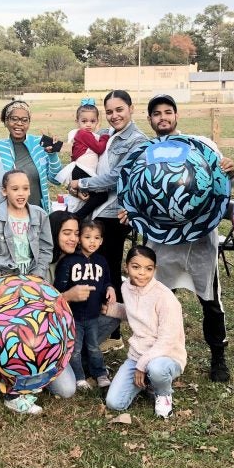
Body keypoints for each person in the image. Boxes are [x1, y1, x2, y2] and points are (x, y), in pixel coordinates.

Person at [133, 94, 234, 382]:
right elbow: (137, 191)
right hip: (162, 242)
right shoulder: (145, 152)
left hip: (200, 242)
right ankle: (158, 354)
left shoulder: (202, 146)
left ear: (176, 116)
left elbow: (223, 184)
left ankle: (218, 357)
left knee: (211, 301)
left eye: (168, 112)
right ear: (150, 120)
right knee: (161, 301)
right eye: (156, 113)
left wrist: (230, 170)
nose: (162, 117)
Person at [68, 90, 149, 352]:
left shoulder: (137, 141)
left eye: (120, 109)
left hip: (114, 215)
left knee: (109, 271)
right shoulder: (111, 136)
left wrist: (82, 182)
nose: (115, 115)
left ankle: (112, 332)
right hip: (99, 210)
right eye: (110, 111)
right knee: (101, 271)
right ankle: (99, 325)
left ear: (131, 108)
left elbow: (116, 177)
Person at [0, 170, 53, 414]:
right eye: (15, 189)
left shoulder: (39, 215)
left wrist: (38, 275)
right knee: (9, 334)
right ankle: (12, 391)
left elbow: (46, 248)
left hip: (34, 282)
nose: (21, 193)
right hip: (5, 284)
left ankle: (32, 376)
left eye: (25, 188)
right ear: (4, 191)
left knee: (34, 330)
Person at [104, 245, 186, 418]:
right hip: (138, 355)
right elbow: (135, 313)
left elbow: (167, 340)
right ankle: (147, 382)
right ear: (126, 267)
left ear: (154, 270)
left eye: (148, 269)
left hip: (166, 356)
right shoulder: (126, 287)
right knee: (114, 403)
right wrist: (108, 309)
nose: (142, 273)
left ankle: (163, 393)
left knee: (156, 369)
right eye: (136, 267)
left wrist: (142, 366)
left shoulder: (165, 298)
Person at [54, 218, 115, 390]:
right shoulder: (68, 261)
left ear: (102, 240)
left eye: (97, 238)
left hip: (93, 316)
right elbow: (59, 288)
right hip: (74, 317)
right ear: (80, 239)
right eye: (88, 237)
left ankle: (100, 373)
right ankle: (79, 377)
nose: (92, 242)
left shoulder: (102, 261)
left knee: (94, 347)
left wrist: (110, 288)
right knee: (76, 349)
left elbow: (106, 282)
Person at [0, 100, 62, 213]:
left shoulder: (39, 144)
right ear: (6, 121)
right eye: (14, 119)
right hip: (9, 214)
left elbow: (56, 180)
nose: (19, 123)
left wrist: (52, 155)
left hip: (39, 212)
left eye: (24, 120)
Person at [59, 99, 109, 219]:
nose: (88, 124)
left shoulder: (88, 135)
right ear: (77, 122)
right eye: (84, 121)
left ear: (97, 121)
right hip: (83, 170)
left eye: (93, 121)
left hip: (81, 170)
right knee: (102, 195)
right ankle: (78, 216)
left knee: (86, 197)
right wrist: (105, 137)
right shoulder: (83, 134)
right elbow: (99, 148)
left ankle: (76, 216)